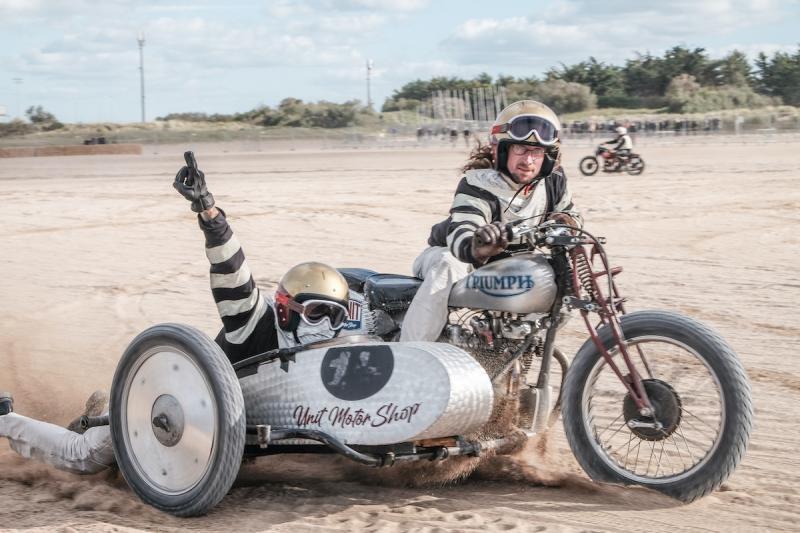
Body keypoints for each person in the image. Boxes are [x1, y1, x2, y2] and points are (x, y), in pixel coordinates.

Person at [0, 160, 351, 474]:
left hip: (215, 421)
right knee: (85, 456)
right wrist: (209, 212)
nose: (327, 324)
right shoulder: (252, 321)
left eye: (335, 314)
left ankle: (97, 410)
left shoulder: (331, 348)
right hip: (168, 399)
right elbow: (232, 271)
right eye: (317, 312)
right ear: (286, 310)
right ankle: (8, 420)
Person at [400, 100, 582, 342]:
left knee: (561, 277)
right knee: (447, 264)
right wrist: (478, 245)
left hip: (510, 263)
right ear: (500, 150)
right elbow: (462, 231)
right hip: (456, 257)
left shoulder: (553, 182)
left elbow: (572, 215)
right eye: (520, 149)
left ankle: (514, 346)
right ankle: (412, 352)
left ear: (548, 156)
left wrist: (567, 222)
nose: (528, 161)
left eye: (536, 151)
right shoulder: (477, 183)